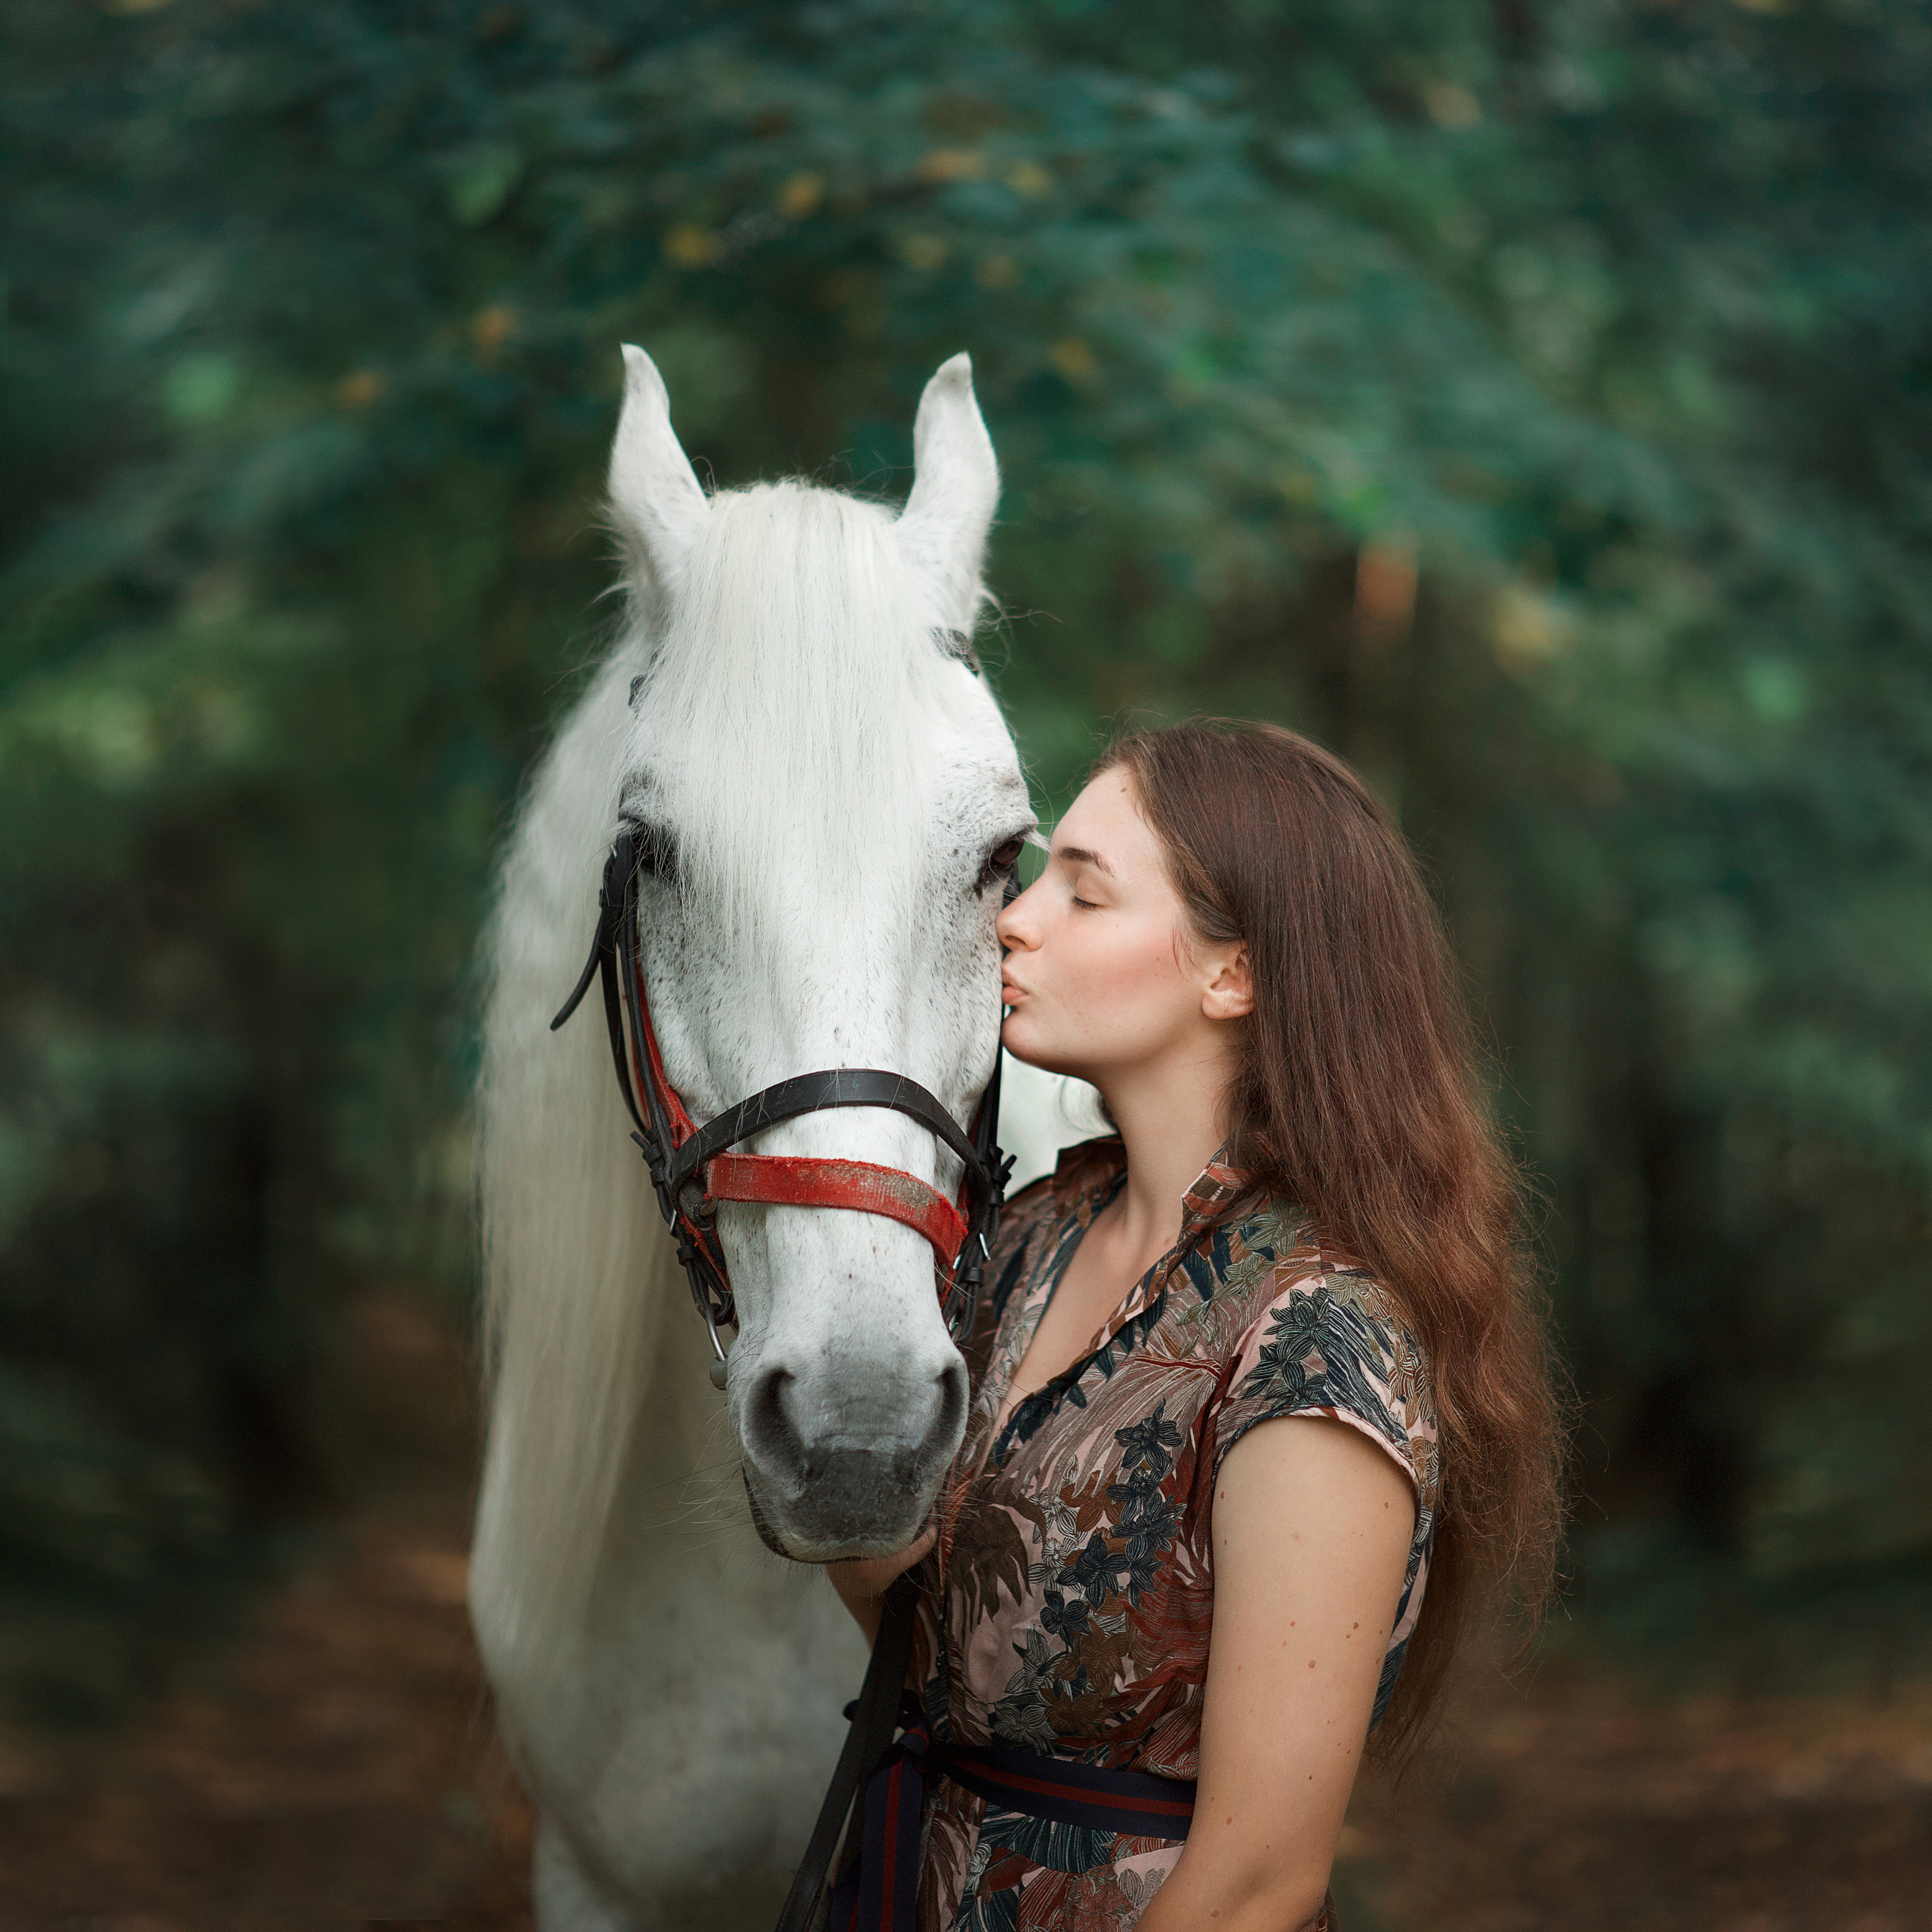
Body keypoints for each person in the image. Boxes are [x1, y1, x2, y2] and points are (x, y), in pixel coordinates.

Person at [827, 719, 1564, 1930]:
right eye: (1035, 878)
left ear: (1233, 975)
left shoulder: (1314, 1338)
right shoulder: (1029, 1237)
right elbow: (937, 1645)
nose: (1013, 920)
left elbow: (1258, 1887)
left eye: (1086, 892)